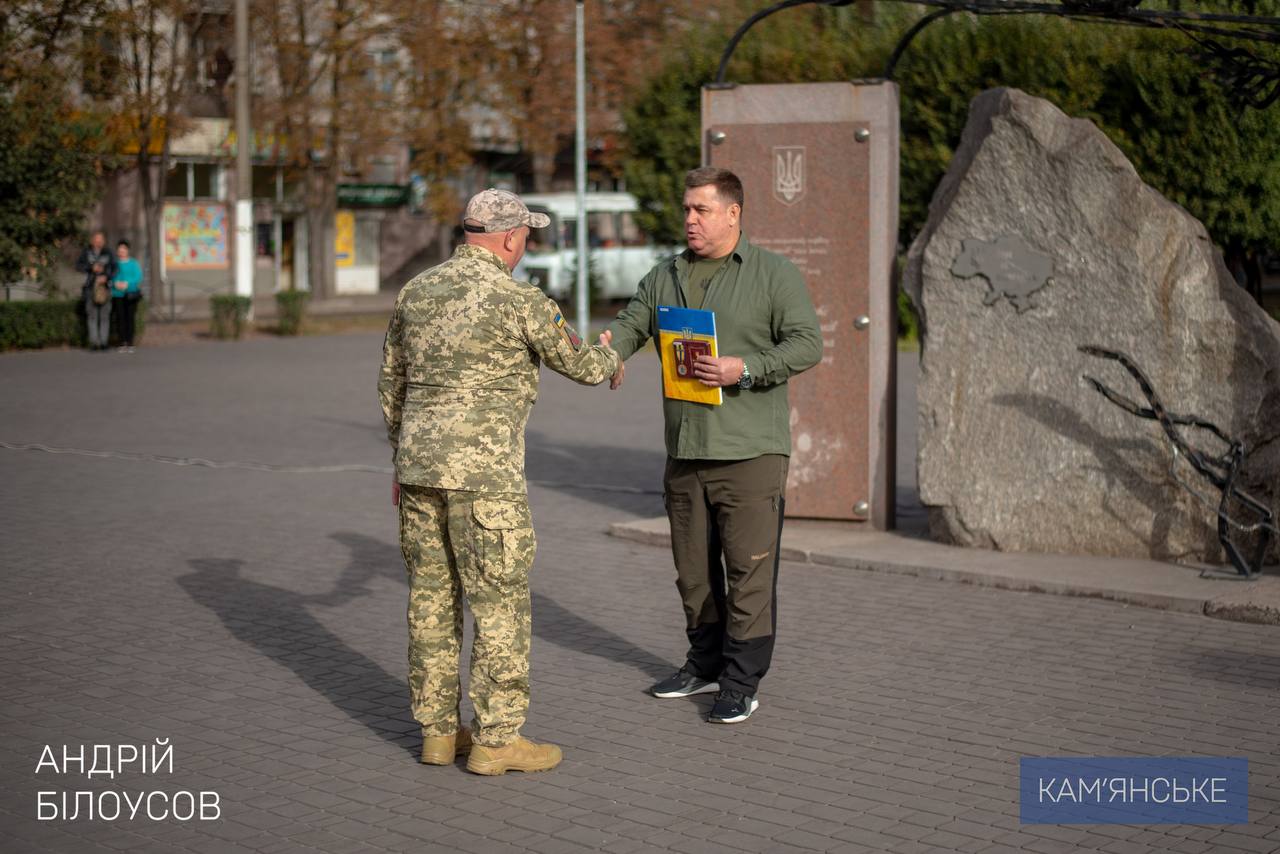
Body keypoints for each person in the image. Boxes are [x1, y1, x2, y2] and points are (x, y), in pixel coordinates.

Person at [379, 188, 620, 775]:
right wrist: (612, 358)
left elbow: (392, 387)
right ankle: (496, 739)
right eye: (527, 235)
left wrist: (402, 462)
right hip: (486, 481)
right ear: (511, 237)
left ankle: (437, 733)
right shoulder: (520, 300)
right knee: (499, 603)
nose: (527, 244)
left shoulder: (416, 291)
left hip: (419, 475)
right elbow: (582, 367)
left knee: (431, 603)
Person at [604, 166, 822, 724]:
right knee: (693, 571)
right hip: (686, 450)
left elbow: (806, 345)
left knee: (748, 571)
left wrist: (743, 369)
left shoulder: (773, 274)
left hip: (750, 452)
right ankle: (703, 664)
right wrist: (609, 353)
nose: (690, 220)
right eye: (686, 209)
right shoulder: (665, 275)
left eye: (701, 209)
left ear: (733, 213)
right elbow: (632, 325)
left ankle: (741, 679)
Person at [76, 230, 116, 351]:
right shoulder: (86, 252)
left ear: (103, 241)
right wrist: (90, 268)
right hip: (90, 288)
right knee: (92, 316)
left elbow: (115, 268)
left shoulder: (108, 253)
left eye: (101, 240)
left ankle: (103, 342)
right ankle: (94, 342)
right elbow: (78, 266)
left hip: (105, 288)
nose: (98, 242)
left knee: (104, 316)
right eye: (96, 239)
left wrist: (106, 277)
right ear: (92, 241)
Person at [111, 240, 143, 352]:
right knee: (120, 318)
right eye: (119, 250)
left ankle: (130, 342)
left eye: (123, 249)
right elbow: (111, 275)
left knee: (130, 318)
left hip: (131, 294)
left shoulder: (133, 263)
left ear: (127, 250)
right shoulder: (114, 263)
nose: (121, 251)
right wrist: (116, 283)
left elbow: (138, 277)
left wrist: (127, 283)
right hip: (117, 294)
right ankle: (122, 342)